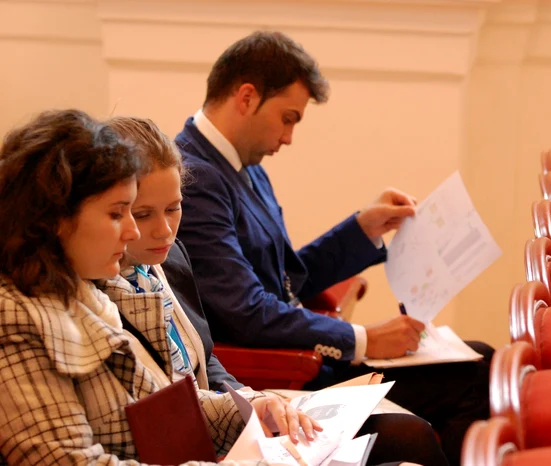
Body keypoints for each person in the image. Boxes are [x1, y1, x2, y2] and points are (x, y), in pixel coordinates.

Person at [174, 31, 493, 465]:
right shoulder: (196, 177)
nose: (288, 137)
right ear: (246, 97)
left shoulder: (245, 165)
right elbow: (246, 312)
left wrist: (362, 229)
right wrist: (364, 339)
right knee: (466, 387)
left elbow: (287, 279)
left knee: (482, 363)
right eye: (288, 118)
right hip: (277, 370)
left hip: (299, 353)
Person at [100, 115, 449, 466]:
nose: (164, 230)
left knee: (410, 436)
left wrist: (252, 402)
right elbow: (246, 313)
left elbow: (205, 357)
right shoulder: (100, 295)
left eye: (174, 209)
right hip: (193, 445)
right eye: (143, 214)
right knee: (409, 440)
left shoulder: (170, 256)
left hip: (226, 419)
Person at [0, 109, 315, 465]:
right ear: (56, 217)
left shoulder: (82, 293)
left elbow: (160, 405)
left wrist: (251, 408)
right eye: (119, 213)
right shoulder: (14, 316)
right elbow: (69, 461)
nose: (134, 231)